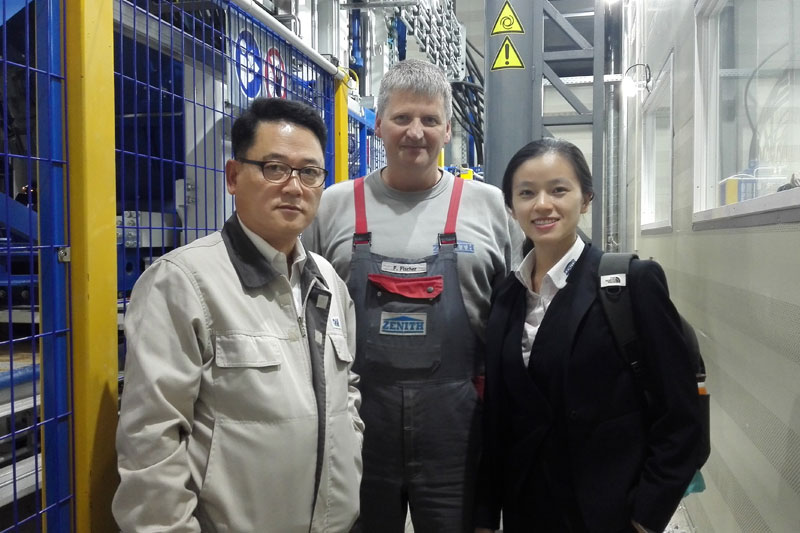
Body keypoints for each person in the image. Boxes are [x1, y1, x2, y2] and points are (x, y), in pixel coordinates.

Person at [113, 97, 364, 532]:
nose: (294, 187)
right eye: (274, 168)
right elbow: (150, 441)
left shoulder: (327, 281)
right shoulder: (182, 283)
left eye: (309, 173)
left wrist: (350, 446)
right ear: (233, 176)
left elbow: (348, 389)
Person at [302, 59, 519, 532]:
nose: (415, 132)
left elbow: (521, 317)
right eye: (402, 117)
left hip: (459, 437)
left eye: (429, 119)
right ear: (379, 125)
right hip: (357, 429)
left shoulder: (489, 208)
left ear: (448, 129)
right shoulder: (333, 206)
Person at [474, 138, 705, 533]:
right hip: (526, 510)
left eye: (558, 190)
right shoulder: (507, 295)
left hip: (608, 513)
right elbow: (498, 417)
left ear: (585, 199)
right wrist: (485, 515)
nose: (542, 204)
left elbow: (682, 416)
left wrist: (645, 517)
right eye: (526, 193)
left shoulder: (631, 284)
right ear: (511, 208)